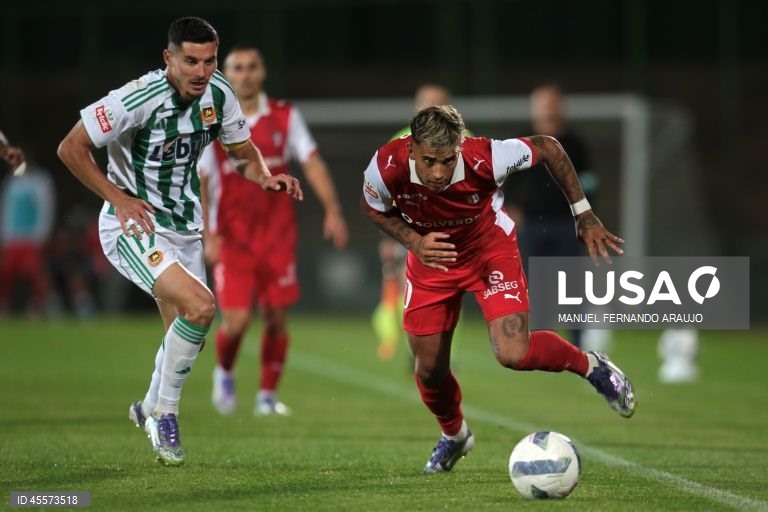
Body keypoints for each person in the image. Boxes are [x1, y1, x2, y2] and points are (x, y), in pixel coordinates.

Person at [57, 17, 302, 466]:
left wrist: (265, 177)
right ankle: (166, 416)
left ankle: (148, 407)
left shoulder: (221, 94)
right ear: (168, 59)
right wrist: (119, 198)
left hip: (185, 227)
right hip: (132, 224)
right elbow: (71, 147)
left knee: (186, 333)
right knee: (202, 307)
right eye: (190, 60)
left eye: (208, 61)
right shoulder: (135, 99)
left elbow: (241, 153)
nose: (201, 71)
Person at [361, 105, 635, 473]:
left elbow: (550, 148)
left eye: (447, 160)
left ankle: (593, 367)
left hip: (489, 252)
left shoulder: (485, 156)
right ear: (411, 149)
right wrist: (413, 240)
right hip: (431, 262)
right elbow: (374, 208)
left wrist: (583, 214)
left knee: (513, 353)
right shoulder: (385, 166)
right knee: (429, 370)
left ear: (460, 147)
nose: (439, 172)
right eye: (429, 161)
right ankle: (455, 436)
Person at [198, 46, 348, 416]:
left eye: (252, 67)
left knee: (276, 318)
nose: (245, 74)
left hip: (278, 237)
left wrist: (332, 210)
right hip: (232, 237)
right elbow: (202, 178)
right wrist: (207, 233)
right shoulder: (211, 118)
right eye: (238, 68)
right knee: (236, 322)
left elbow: (312, 163)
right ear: (226, 74)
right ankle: (225, 371)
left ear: (262, 72)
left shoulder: (284, 115)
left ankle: (267, 396)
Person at [373, 84, 470, 361]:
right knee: (411, 292)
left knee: (452, 297)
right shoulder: (399, 142)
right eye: (426, 106)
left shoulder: (468, 142)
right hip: (413, 233)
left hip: (456, 234)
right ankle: (417, 352)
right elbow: (384, 196)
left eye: (437, 106)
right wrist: (388, 238)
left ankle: (442, 354)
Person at [503, 84, 598, 348]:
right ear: (534, 109)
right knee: (534, 284)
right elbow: (507, 180)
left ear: (560, 108)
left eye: (551, 104)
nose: (547, 110)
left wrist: (587, 216)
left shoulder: (575, 144)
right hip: (532, 225)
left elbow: (588, 182)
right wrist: (511, 207)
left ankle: (579, 341)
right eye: (542, 104)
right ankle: (542, 341)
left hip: (566, 223)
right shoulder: (521, 141)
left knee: (572, 285)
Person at [0, 155, 55, 316]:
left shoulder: (40, 180)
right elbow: (6, 210)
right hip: (12, 237)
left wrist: (42, 233)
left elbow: (46, 208)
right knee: (5, 272)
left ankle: (38, 305)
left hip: (30, 237)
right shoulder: (11, 182)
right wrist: (4, 235)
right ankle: (3, 304)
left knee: (35, 274)